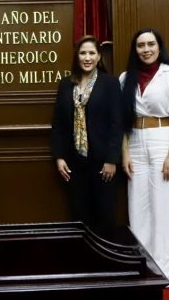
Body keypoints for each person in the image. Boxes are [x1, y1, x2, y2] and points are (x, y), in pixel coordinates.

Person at [120, 28, 169, 285]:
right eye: (141, 45)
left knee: (165, 207)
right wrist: (125, 152)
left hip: (165, 138)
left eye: (151, 44)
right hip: (136, 141)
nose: (146, 49)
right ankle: (143, 269)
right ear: (135, 49)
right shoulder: (126, 78)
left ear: (159, 47)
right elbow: (123, 120)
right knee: (137, 208)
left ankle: (163, 273)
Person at [51, 36, 123, 236]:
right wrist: (59, 157)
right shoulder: (66, 84)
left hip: (102, 162)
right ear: (77, 56)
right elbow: (58, 124)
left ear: (99, 56)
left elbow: (117, 124)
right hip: (74, 162)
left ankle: (106, 263)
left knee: (104, 214)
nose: (87, 57)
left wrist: (111, 159)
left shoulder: (110, 83)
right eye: (83, 53)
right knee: (79, 215)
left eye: (92, 53)